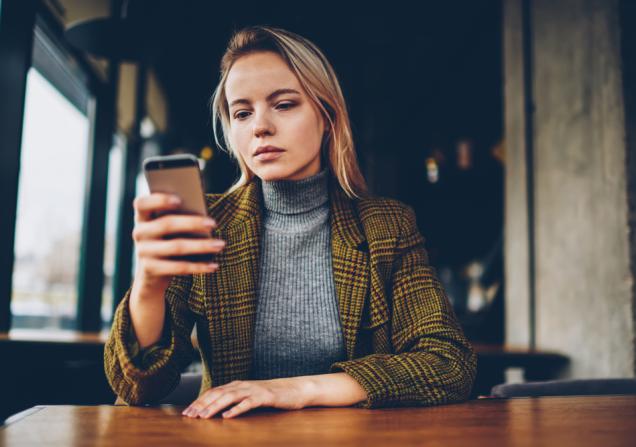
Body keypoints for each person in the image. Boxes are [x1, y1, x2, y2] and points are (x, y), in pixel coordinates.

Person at [104, 26, 476, 419]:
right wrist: (148, 287)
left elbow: (449, 363)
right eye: (242, 113)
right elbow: (138, 387)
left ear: (327, 116)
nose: (259, 127)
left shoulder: (388, 225)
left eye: (283, 104)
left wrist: (299, 389)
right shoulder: (209, 224)